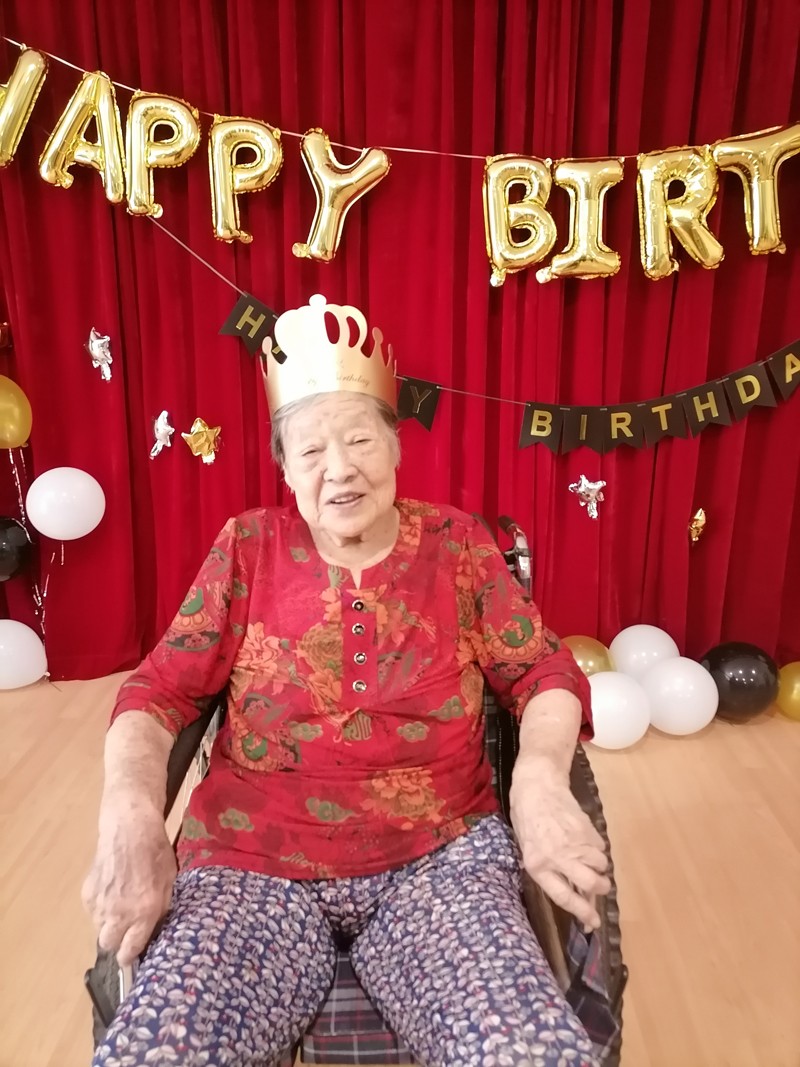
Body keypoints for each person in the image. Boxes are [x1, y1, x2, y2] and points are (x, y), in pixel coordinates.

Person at [84, 295, 610, 1067]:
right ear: (285, 468)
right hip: (249, 866)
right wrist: (129, 808)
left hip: (441, 862)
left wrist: (538, 779)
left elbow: (542, 669)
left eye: (361, 438)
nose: (339, 468)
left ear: (394, 448)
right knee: (162, 1053)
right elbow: (157, 691)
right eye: (311, 450)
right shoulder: (248, 547)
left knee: (528, 1053)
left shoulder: (458, 545)